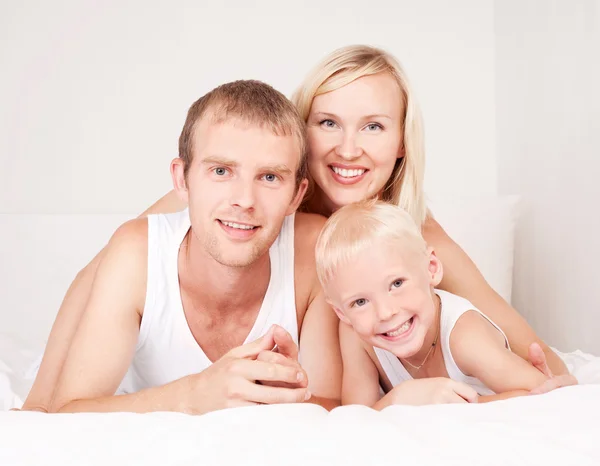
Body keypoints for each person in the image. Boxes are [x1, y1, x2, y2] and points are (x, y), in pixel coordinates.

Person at [23, 45, 574, 412]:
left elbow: (518, 343)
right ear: (302, 131)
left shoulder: (412, 236)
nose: (348, 149)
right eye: (328, 122)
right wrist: (39, 408)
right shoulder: (238, 191)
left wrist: (537, 376)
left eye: (374, 127)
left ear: (402, 142)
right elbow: (103, 270)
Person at [46, 80, 342, 414]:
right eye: (221, 171)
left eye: (270, 177)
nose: (245, 200)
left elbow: (333, 405)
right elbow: (66, 413)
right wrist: (195, 394)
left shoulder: (314, 249)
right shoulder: (137, 254)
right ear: (182, 179)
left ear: (297, 195)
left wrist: (286, 395)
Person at [316, 200, 554, 408]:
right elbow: (358, 418)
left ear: (432, 269)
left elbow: (540, 394)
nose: (386, 312)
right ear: (342, 313)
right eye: (360, 301)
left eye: (397, 284)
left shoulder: (464, 337)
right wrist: (398, 399)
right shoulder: (357, 336)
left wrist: (450, 405)